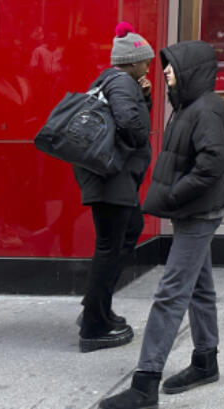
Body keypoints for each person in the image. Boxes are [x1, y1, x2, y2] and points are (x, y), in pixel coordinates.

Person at [100, 41, 224, 409]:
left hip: (197, 211)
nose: (165, 71)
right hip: (194, 209)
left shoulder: (204, 109)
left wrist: (176, 193)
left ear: (189, 69)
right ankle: (205, 360)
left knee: (171, 292)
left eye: (172, 66)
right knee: (199, 286)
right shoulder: (191, 105)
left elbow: (213, 162)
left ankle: (145, 384)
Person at [77, 23, 155, 353]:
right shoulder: (122, 83)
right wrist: (141, 125)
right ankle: (93, 327)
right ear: (133, 60)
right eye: (145, 61)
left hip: (109, 176)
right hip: (111, 177)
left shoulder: (112, 81)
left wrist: (145, 98)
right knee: (109, 246)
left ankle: (97, 309)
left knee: (128, 231)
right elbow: (130, 125)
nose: (148, 67)